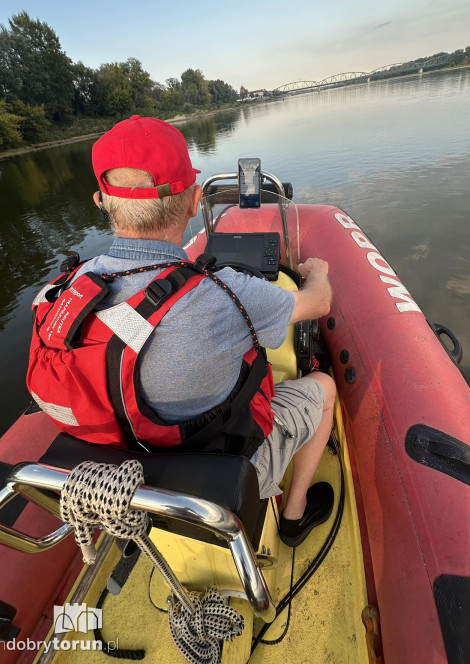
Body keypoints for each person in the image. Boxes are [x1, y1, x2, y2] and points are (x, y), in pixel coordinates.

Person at [27, 115, 336, 547]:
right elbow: (318, 304)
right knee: (323, 388)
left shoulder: (56, 295)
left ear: (100, 201)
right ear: (194, 202)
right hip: (216, 483)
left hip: (122, 485)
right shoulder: (226, 293)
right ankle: (295, 512)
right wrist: (317, 274)